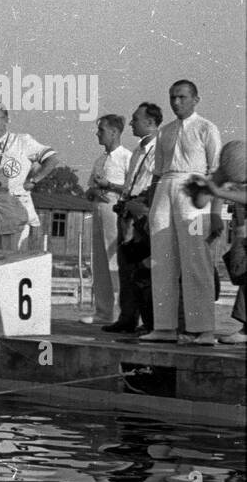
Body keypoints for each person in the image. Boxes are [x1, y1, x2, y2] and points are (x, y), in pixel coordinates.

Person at [141, 80, 222, 345]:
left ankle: (205, 329)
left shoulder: (206, 128)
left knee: (196, 259)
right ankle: (164, 327)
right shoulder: (164, 132)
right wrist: (150, 209)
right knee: (161, 261)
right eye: (173, 97)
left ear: (196, 99)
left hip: (195, 190)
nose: (177, 102)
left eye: (182, 97)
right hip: (165, 188)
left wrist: (215, 212)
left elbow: (217, 173)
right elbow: (156, 173)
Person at [0, 104, 59, 252]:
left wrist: (34, 180)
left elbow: (51, 157)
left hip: (14, 210)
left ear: (7, 119)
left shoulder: (22, 141)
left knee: (13, 262)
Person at [104, 103, 162, 334]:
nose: (130, 123)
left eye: (135, 119)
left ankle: (149, 321)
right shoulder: (138, 150)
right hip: (127, 210)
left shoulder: (161, 148)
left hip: (144, 210)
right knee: (126, 266)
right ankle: (127, 317)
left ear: (149, 122)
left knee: (143, 268)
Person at [189, 139, 247, 344]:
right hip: (242, 233)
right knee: (240, 274)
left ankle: (245, 329)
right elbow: (201, 200)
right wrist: (212, 210)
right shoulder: (232, 165)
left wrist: (219, 192)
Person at [84, 114, 132, 324]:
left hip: (117, 216)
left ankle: (124, 313)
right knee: (100, 264)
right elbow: (89, 190)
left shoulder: (127, 158)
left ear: (114, 132)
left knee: (117, 264)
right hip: (98, 214)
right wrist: (95, 190)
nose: (97, 133)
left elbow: (132, 189)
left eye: (101, 130)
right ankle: (103, 312)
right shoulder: (100, 160)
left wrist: (109, 186)